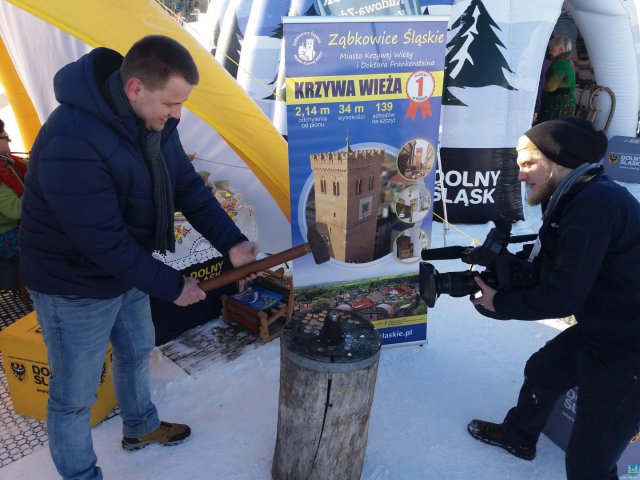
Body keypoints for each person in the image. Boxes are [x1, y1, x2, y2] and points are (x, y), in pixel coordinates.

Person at [19, 35, 259, 480]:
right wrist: (172, 284)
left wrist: (232, 242)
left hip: (126, 269)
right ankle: (79, 474)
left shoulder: (155, 123)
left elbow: (188, 187)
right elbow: (103, 242)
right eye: (172, 103)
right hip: (71, 284)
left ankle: (140, 428)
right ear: (135, 88)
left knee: (135, 351)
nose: (178, 115)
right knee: (74, 394)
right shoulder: (71, 140)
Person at [467, 117, 640, 480]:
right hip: (607, 325)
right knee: (543, 371)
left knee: (587, 466)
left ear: (559, 161)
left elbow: (564, 295)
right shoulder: (573, 196)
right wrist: (505, 274)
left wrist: (501, 303)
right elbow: (553, 266)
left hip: (629, 350)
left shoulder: (595, 205)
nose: (521, 175)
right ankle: (519, 437)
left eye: (528, 163)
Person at [0, 119, 27, 260]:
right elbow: (16, 210)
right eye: (5, 136)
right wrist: (36, 186)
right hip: (6, 236)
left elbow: (28, 164)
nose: (9, 140)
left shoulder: (9, 161)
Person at [536, 36, 576, 124]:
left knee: (550, 128)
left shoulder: (560, 64)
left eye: (551, 50)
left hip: (559, 104)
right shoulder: (568, 61)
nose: (549, 52)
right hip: (567, 102)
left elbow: (550, 87)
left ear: (561, 50)